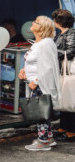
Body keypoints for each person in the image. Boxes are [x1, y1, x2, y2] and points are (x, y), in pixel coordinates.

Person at [18, 15, 61, 151]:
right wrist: (24, 69)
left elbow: (48, 67)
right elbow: (35, 61)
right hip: (36, 82)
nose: (32, 23)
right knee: (43, 111)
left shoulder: (45, 44)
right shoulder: (38, 43)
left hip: (41, 84)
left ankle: (42, 141)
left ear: (41, 28)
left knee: (41, 112)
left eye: (35, 22)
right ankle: (48, 137)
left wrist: (36, 81)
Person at [52, 9, 75, 139]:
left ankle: (71, 131)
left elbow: (70, 52)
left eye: (55, 19)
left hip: (70, 71)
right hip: (63, 70)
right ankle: (63, 127)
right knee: (64, 99)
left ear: (60, 21)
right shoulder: (61, 33)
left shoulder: (71, 33)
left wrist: (52, 52)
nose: (53, 21)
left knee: (70, 99)